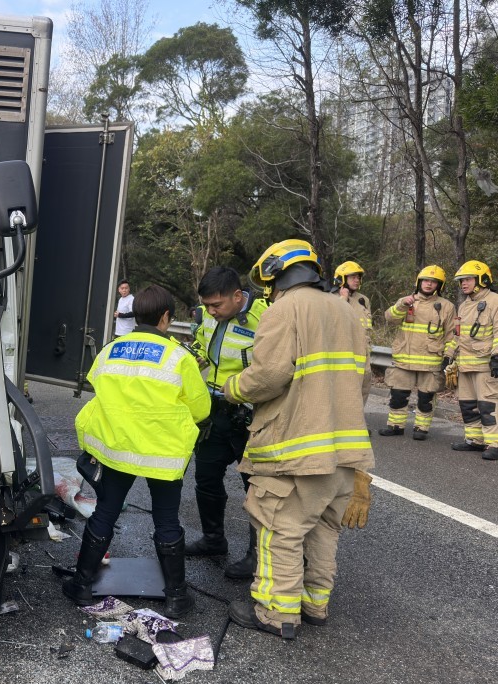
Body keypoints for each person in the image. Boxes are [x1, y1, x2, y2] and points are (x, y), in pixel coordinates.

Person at [222, 239, 374, 639]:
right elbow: (363, 382)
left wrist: (233, 387)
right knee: (325, 528)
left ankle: (276, 613)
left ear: (275, 274)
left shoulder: (282, 310)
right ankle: (315, 604)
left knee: (280, 529)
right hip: (345, 452)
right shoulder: (348, 312)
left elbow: (268, 376)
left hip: (297, 450)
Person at [64, 284, 211, 618]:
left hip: (118, 450)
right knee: (166, 520)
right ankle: (176, 598)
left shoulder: (111, 350)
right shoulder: (179, 357)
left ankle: (82, 587)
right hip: (162, 454)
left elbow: (96, 385)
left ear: (136, 314)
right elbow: (201, 410)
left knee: (105, 512)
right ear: (165, 318)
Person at [185, 266, 269, 581]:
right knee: (206, 478)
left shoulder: (266, 318)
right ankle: (213, 540)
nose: (211, 311)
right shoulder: (207, 316)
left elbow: (271, 369)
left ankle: (257, 556)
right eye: (206, 305)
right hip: (215, 411)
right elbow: (200, 351)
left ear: (238, 296)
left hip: (253, 414)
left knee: (257, 488)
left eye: (216, 305)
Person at [378, 265, 456, 440]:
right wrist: (401, 304)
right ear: (419, 282)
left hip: (430, 361)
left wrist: (448, 356)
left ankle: (421, 429)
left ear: (439, 286)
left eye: (433, 282)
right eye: (426, 281)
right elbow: (389, 318)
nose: (428, 284)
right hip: (403, 359)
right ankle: (395, 426)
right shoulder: (407, 301)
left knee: (425, 399)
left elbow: (452, 335)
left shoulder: (446, 307)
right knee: (398, 396)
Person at [449, 260, 498, 459]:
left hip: (485, 365)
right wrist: (448, 356)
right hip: (465, 364)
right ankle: (475, 440)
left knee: (488, 406)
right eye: (461, 281)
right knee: (468, 405)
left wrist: (497, 356)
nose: (463, 284)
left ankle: (494, 444)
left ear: (482, 280)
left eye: (468, 279)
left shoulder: (495, 301)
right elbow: (457, 336)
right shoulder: (463, 306)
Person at [334, 260, 374, 401]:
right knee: (343, 391)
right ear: (341, 278)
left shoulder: (363, 300)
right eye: (352, 277)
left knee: (363, 388)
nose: (357, 280)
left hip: (363, 352)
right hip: (342, 352)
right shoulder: (331, 297)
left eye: (358, 277)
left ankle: (357, 420)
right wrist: (343, 299)